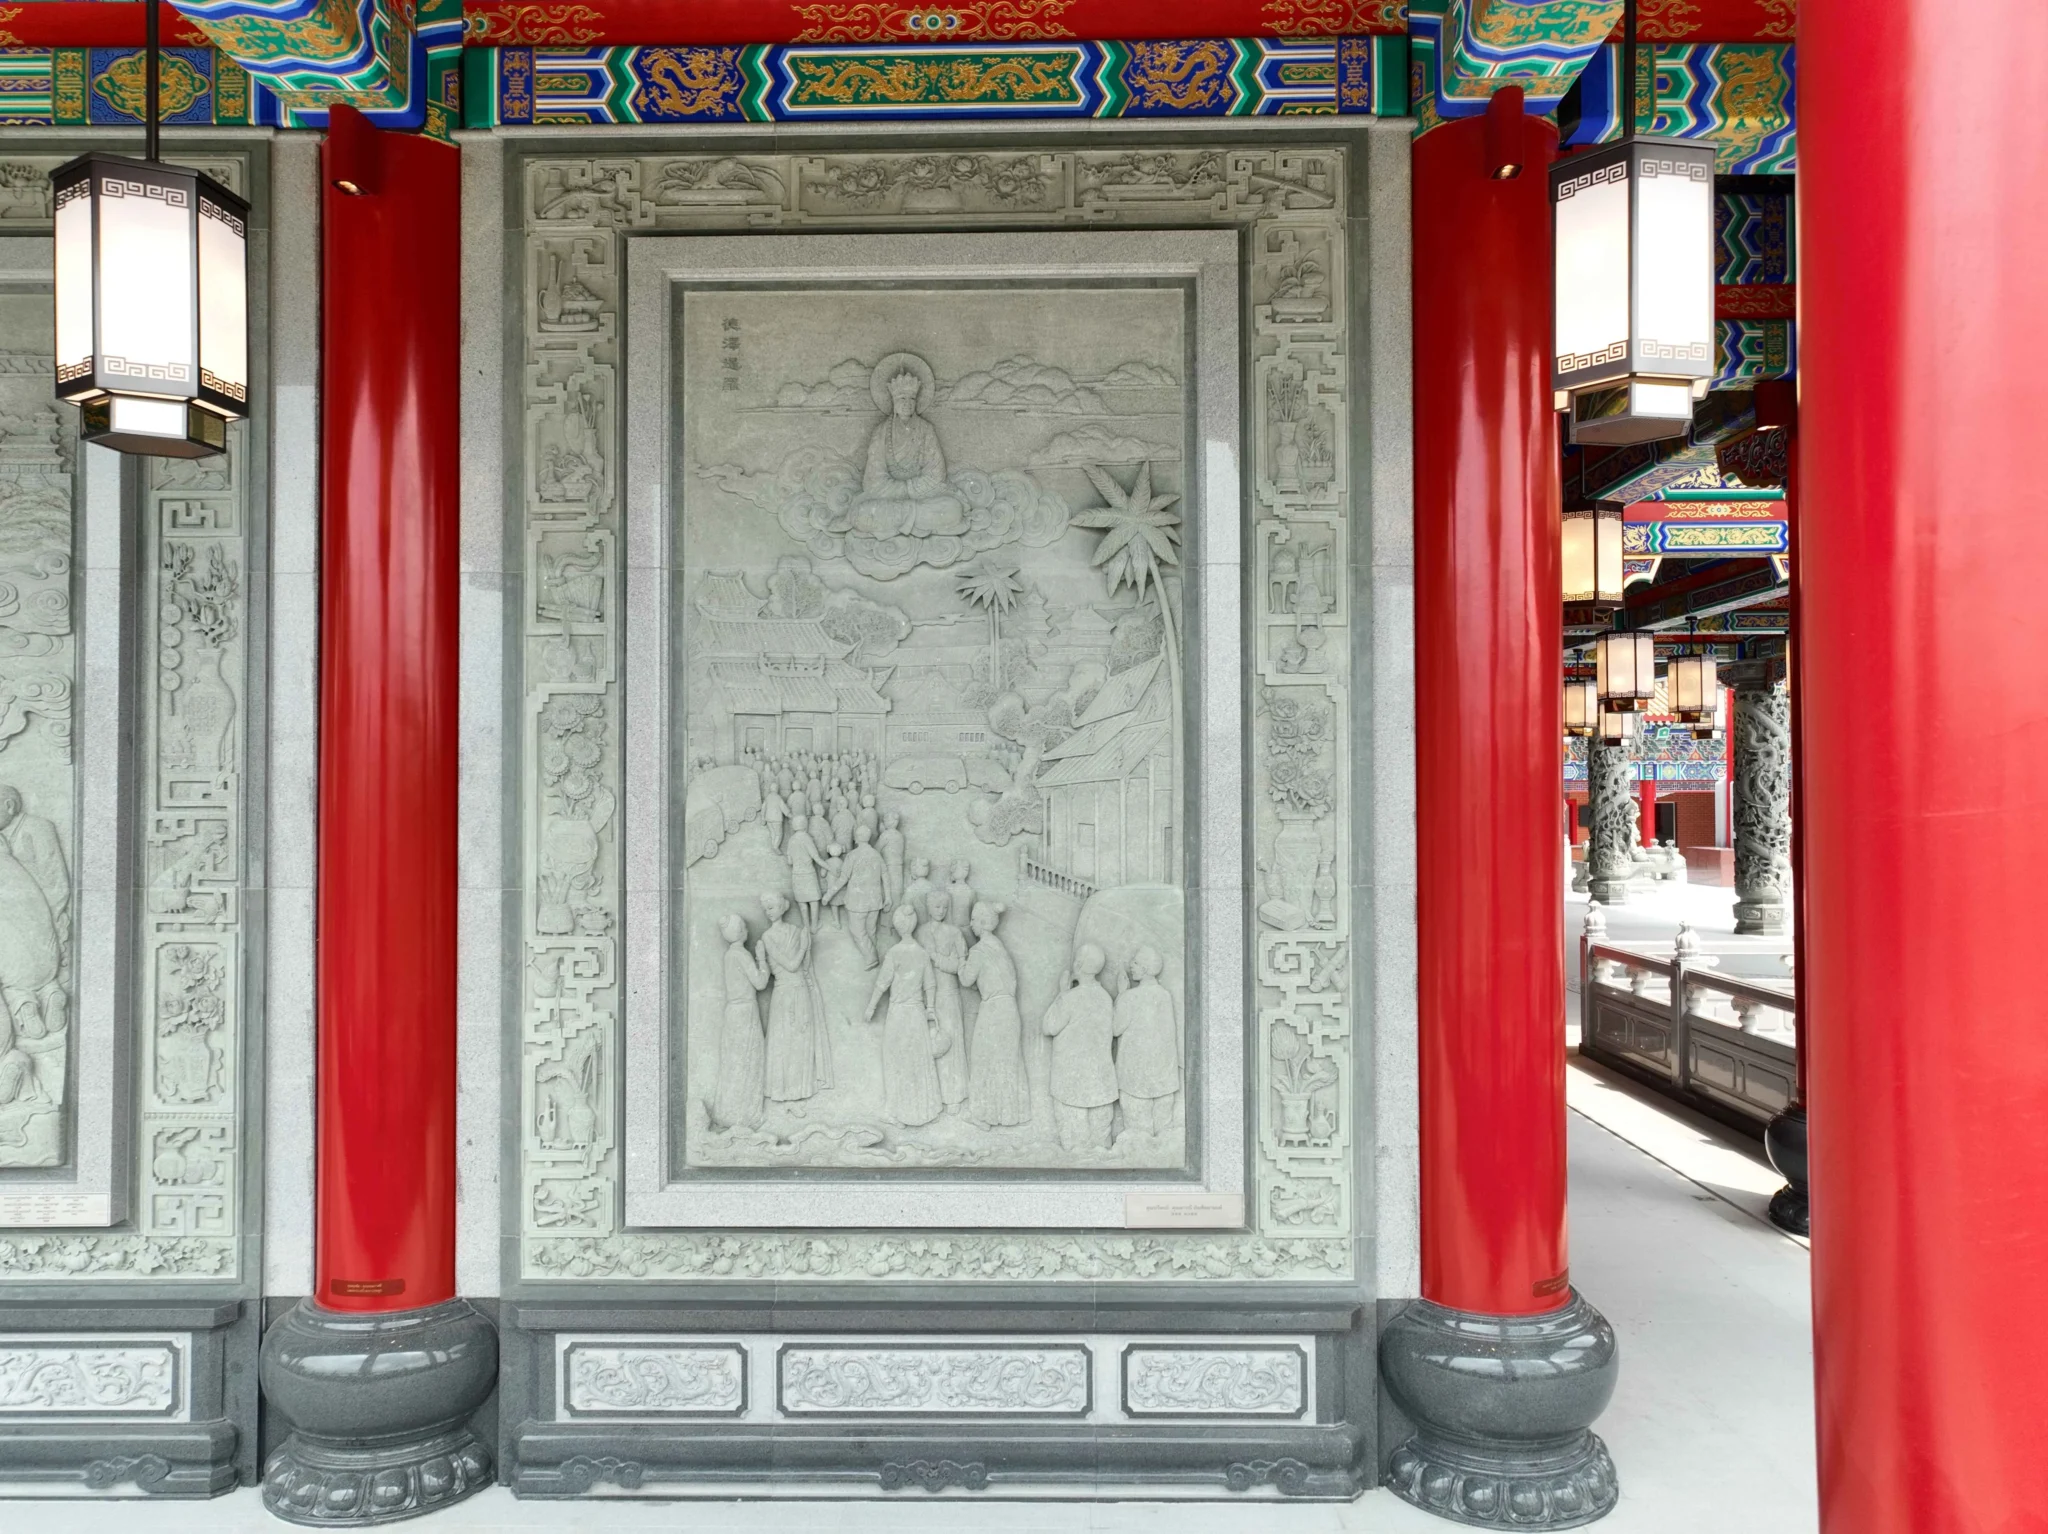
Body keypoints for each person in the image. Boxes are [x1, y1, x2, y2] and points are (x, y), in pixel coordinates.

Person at [849, 355, 969, 541]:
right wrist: (903, 492)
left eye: (911, 398)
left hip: (923, 497)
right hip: (890, 499)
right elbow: (872, 481)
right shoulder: (881, 432)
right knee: (863, 512)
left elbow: (936, 475)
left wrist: (910, 491)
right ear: (893, 401)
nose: (907, 403)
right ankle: (915, 522)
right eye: (902, 398)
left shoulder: (926, 429)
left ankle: (900, 522)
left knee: (953, 508)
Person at [864, 904, 942, 1127]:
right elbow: (930, 984)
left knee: (896, 1059)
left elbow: (882, 983)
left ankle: (897, 1111)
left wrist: (871, 1007)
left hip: (899, 1013)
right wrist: (930, 1008)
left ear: (898, 926)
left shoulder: (895, 953)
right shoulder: (921, 953)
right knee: (918, 1059)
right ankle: (924, 1109)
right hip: (916, 1013)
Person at [960, 901, 1029, 1127]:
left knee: (984, 1058)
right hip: (1009, 1010)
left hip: (993, 1011)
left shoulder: (978, 951)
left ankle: (983, 1115)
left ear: (982, 922)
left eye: (973, 919)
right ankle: (1008, 1114)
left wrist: (960, 960)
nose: (971, 924)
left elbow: (966, 979)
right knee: (1006, 1060)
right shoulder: (1000, 948)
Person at [1041, 943, 1116, 1151]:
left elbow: (1048, 1027)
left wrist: (1061, 993)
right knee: (1101, 1144)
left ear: (1079, 965)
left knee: (1075, 1146)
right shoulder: (1105, 998)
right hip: (1100, 1083)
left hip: (1071, 1084)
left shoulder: (1070, 998)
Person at [1111, 946, 1180, 1138]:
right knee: (1164, 1134)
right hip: (1163, 1078)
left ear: (1146, 968)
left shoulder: (1130, 997)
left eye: (1136, 962)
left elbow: (1115, 1029)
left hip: (1135, 1078)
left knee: (1137, 1136)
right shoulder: (1164, 995)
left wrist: (1121, 994)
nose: (1131, 966)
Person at [759, 894, 821, 1104]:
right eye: (766, 909)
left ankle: (799, 1090)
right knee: (784, 1041)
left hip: (801, 989)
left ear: (782, 907)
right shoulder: (768, 937)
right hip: (784, 993)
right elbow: (792, 965)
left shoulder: (795, 931)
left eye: (772, 907)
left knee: (800, 1038)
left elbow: (804, 966)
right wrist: (803, 946)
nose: (768, 912)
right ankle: (783, 1091)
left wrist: (807, 947)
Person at [709, 913, 767, 1130]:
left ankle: (727, 1113)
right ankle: (746, 1116)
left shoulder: (729, 955)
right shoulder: (742, 955)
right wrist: (762, 959)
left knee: (733, 1061)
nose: (747, 930)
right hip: (746, 1011)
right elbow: (760, 983)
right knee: (748, 1060)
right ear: (741, 932)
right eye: (744, 927)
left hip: (733, 1011)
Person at [919, 891, 968, 1109]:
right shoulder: (921, 932)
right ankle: (932, 1096)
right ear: (928, 907)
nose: (941, 911)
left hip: (948, 993)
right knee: (930, 1043)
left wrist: (936, 958)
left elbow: (960, 965)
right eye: (937, 907)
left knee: (952, 1042)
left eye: (945, 907)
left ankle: (954, 1096)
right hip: (927, 995)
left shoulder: (954, 932)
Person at [836, 824, 888, 967]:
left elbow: (843, 878)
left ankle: (871, 958)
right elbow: (885, 875)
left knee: (857, 931)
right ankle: (874, 956)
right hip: (874, 900)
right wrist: (888, 896)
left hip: (857, 901)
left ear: (857, 838)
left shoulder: (852, 855)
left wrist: (828, 894)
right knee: (871, 931)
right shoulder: (876, 854)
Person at [782, 795, 829, 930]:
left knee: (802, 902)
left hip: (797, 874)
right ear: (805, 825)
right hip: (808, 873)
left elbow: (790, 861)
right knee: (813, 900)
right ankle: (814, 925)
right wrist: (828, 867)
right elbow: (816, 858)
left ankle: (806, 926)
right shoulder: (806, 838)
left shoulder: (791, 840)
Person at [879, 811, 906, 909]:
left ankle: (887, 916)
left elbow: (876, 849)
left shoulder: (886, 835)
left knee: (888, 891)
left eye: (885, 820)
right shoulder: (899, 835)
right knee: (897, 891)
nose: (884, 822)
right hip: (898, 866)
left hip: (888, 866)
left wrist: (881, 832)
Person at [945, 859, 975, 937]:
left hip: (965, 926)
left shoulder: (970, 891)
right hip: (954, 927)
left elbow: (973, 911)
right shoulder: (949, 889)